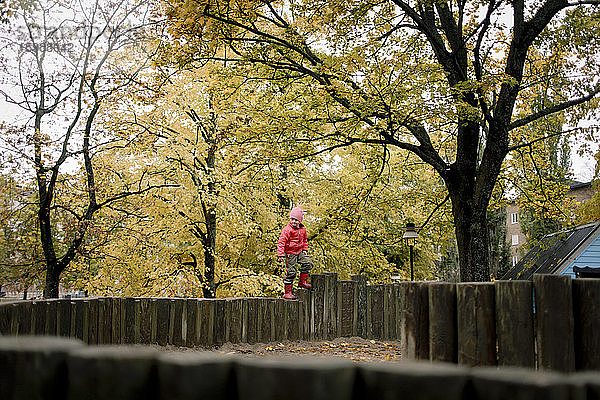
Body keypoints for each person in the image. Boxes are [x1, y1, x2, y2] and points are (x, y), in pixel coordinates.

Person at [277, 206, 313, 299]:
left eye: (296, 220)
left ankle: (302, 282)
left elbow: (305, 240)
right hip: (290, 253)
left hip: (300, 252)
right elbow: (281, 242)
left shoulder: (303, 229)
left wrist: (305, 249)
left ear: (300, 221)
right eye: (292, 219)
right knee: (291, 272)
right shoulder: (287, 230)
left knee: (308, 263)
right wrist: (281, 254)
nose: (294, 221)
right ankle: (287, 292)